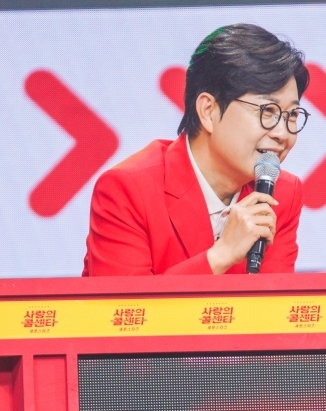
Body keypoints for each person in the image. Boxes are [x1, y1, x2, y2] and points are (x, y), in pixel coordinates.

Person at [83, 23, 310, 276]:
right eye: (267, 111)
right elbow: (126, 302)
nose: (282, 134)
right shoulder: (128, 190)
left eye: (292, 115)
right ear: (208, 111)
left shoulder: (283, 195)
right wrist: (221, 255)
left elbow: (273, 298)